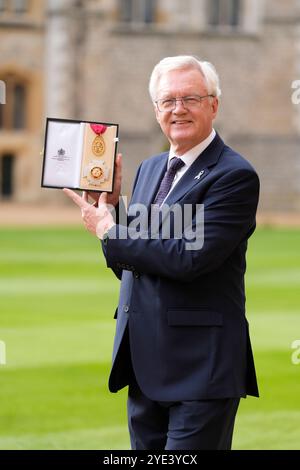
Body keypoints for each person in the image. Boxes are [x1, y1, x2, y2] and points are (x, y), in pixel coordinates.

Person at [64, 55, 260, 450]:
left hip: (200, 369)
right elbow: (137, 263)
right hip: (143, 362)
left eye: (190, 98)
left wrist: (109, 230)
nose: (178, 109)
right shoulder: (151, 169)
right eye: (168, 100)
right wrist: (113, 210)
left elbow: (188, 259)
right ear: (156, 110)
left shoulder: (234, 176)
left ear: (213, 105)